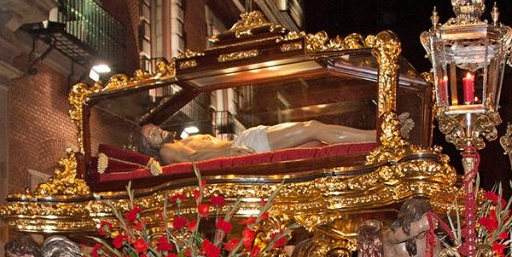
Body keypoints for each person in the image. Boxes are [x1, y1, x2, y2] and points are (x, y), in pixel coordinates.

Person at [140, 113, 413, 164]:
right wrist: (229, 155)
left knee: (317, 144)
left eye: (155, 128)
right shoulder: (168, 153)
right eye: (152, 135)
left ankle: (379, 139)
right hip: (247, 147)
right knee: (313, 127)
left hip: (247, 140)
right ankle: (382, 135)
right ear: (150, 146)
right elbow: (196, 158)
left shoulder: (188, 136)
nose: (158, 132)